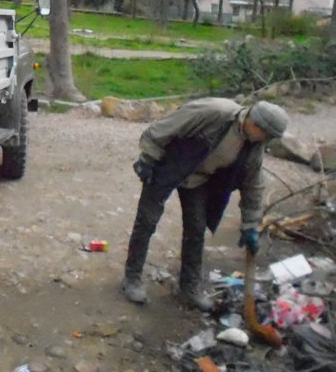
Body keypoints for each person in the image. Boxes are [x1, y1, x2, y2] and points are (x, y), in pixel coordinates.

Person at [122, 98, 289, 311]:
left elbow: (253, 184)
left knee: (196, 229)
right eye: (267, 135)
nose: (266, 140)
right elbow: (162, 129)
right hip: (169, 165)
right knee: (147, 221)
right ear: (255, 123)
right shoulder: (214, 113)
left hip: (201, 178)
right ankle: (132, 278)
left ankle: (189, 289)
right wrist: (148, 158)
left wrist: (251, 224)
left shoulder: (254, 145)